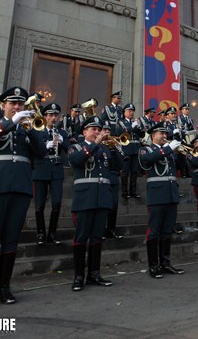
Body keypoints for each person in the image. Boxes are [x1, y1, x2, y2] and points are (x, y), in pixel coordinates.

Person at [0, 86, 47, 309]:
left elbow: (42, 152)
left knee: (11, 238)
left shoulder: (26, 128)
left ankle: (4, 288)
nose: (17, 107)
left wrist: (31, 128)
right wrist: (10, 122)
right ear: (3, 105)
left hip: (20, 186)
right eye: (13, 103)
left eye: (21, 104)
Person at [68, 116, 115, 291]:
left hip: (102, 197)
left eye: (98, 129)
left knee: (97, 237)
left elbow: (117, 166)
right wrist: (97, 144)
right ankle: (78, 276)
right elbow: (76, 160)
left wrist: (116, 148)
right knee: (81, 237)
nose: (97, 132)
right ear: (84, 132)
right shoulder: (76, 147)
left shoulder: (104, 149)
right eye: (93, 129)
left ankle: (94, 274)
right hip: (84, 198)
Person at [138, 122, 185, 278]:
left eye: (166, 134)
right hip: (157, 195)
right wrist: (171, 147)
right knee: (154, 230)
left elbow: (180, 166)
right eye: (161, 134)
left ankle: (165, 263)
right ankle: (153, 265)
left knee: (166, 230)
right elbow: (150, 159)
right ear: (153, 136)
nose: (164, 136)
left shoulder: (170, 151)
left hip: (171, 193)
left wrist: (180, 153)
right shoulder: (146, 149)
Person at [32, 103, 70, 245]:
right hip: (41, 169)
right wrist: (45, 145)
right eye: (50, 115)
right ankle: (40, 233)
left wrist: (62, 141)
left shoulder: (62, 133)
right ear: (45, 116)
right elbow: (33, 150)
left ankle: (52, 233)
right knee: (39, 204)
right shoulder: (37, 131)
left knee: (57, 202)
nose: (53, 118)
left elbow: (71, 149)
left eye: (55, 115)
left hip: (56, 169)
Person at [101, 121, 124, 240]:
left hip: (113, 177)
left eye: (108, 130)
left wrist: (113, 148)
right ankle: (101, 230)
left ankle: (111, 229)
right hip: (102, 178)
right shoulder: (98, 145)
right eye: (104, 130)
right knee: (103, 205)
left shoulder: (115, 144)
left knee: (114, 204)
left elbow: (120, 164)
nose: (106, 132)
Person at [119, 103, 144, 199]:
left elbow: (142, 135)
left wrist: (138, 128)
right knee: (125, 170)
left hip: (136, 148)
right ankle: (125, 191)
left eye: (132, 111)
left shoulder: (135, 122)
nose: (131, 112)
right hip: (126, 148)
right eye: (129, 111)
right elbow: (120, 133)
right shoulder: (121, 122)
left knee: (134, 171)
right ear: (124, 112)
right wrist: (131, 127)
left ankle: (133, 191)